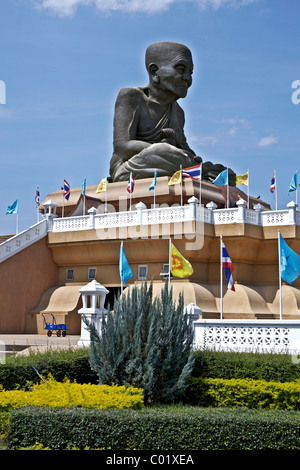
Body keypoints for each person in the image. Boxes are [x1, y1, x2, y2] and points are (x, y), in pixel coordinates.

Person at [109, 41, 235, 185]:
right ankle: (196, 173)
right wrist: (165, 148)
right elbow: (122, 147)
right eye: (181, 69)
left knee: (224, 173)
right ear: (154, 72)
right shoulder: (132, 96)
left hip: (171, 164)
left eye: (190, 72)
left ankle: (197, 173)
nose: (187, 78)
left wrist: (184, 152)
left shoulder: (178, 112)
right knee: (163, 151)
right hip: (132, 167)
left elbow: (185, 150)